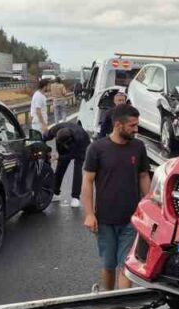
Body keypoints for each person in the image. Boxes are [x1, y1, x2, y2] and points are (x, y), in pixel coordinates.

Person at [82, 105, 151, 291]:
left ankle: (121, 306)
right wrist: (89, 214)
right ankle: (108, 297)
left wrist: (152, 206)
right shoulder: (96, 149)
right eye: (132, 125)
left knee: (126, 265)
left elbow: (143, 176)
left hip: (131, 219)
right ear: (118, 125)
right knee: (108, 264)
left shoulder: (138, 147)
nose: (136, 130)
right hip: (104, 220)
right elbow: (87, 181)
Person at [45, 120, 90, 208]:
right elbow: (44, 137)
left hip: (81, 149)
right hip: (65, 146)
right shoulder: (55, 129)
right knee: (60, 168)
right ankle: (55, 192)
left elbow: (72, 155)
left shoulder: (80, 138)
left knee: (77, 169)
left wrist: (58, 157)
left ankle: (75, 197)